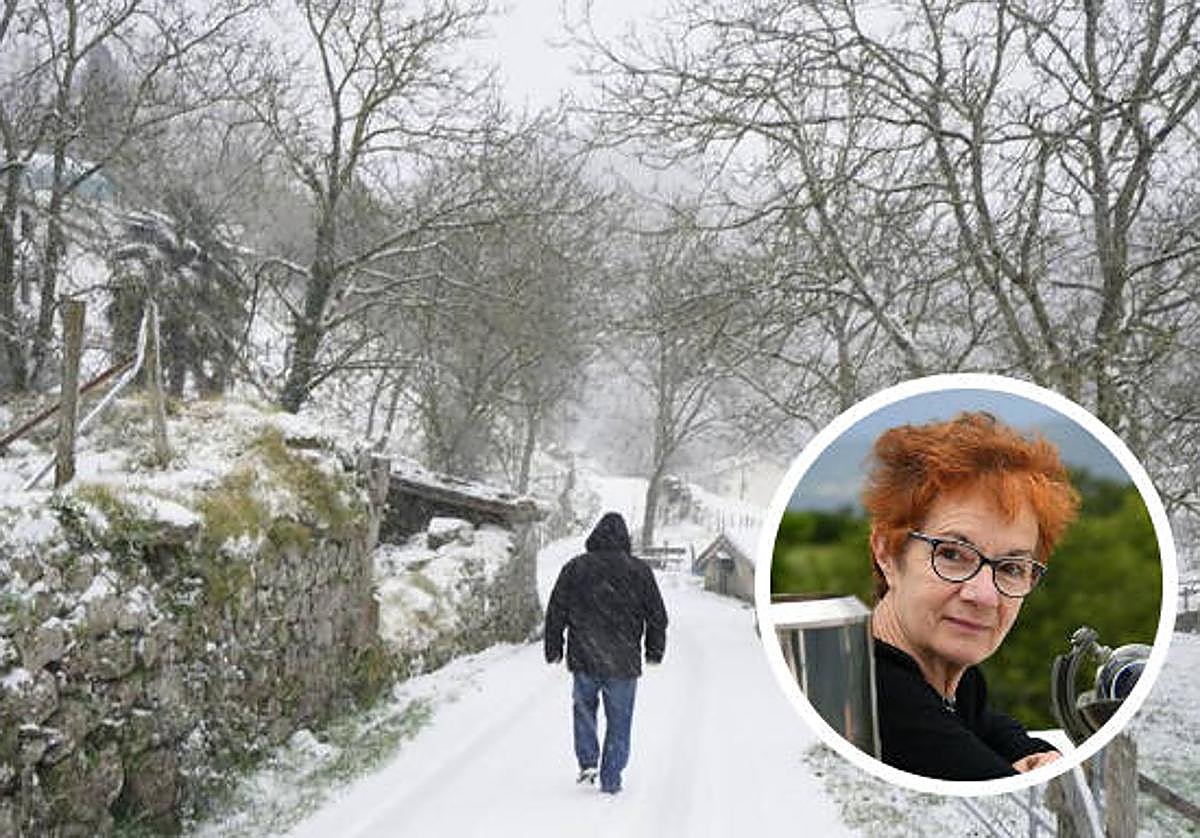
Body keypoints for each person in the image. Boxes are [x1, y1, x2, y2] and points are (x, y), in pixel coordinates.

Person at [863, 411, 1080, 780]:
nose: (984, 596)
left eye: (1011, 567)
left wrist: (1028, 751)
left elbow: (985, 723)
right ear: (886, 552)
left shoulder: (948, 681)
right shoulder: (884, 701)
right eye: (951, 554)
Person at [544, 512, 668, 794]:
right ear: (625, 538)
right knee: (620, 720)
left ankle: (588, 761)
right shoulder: (639, 571)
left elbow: (556, 610)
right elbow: (657, 616)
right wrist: (654, 651)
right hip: (623, 661)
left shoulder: (575, 568)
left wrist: (554, 648)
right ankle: (611, 777)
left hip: (584, 656)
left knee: (584, 710)